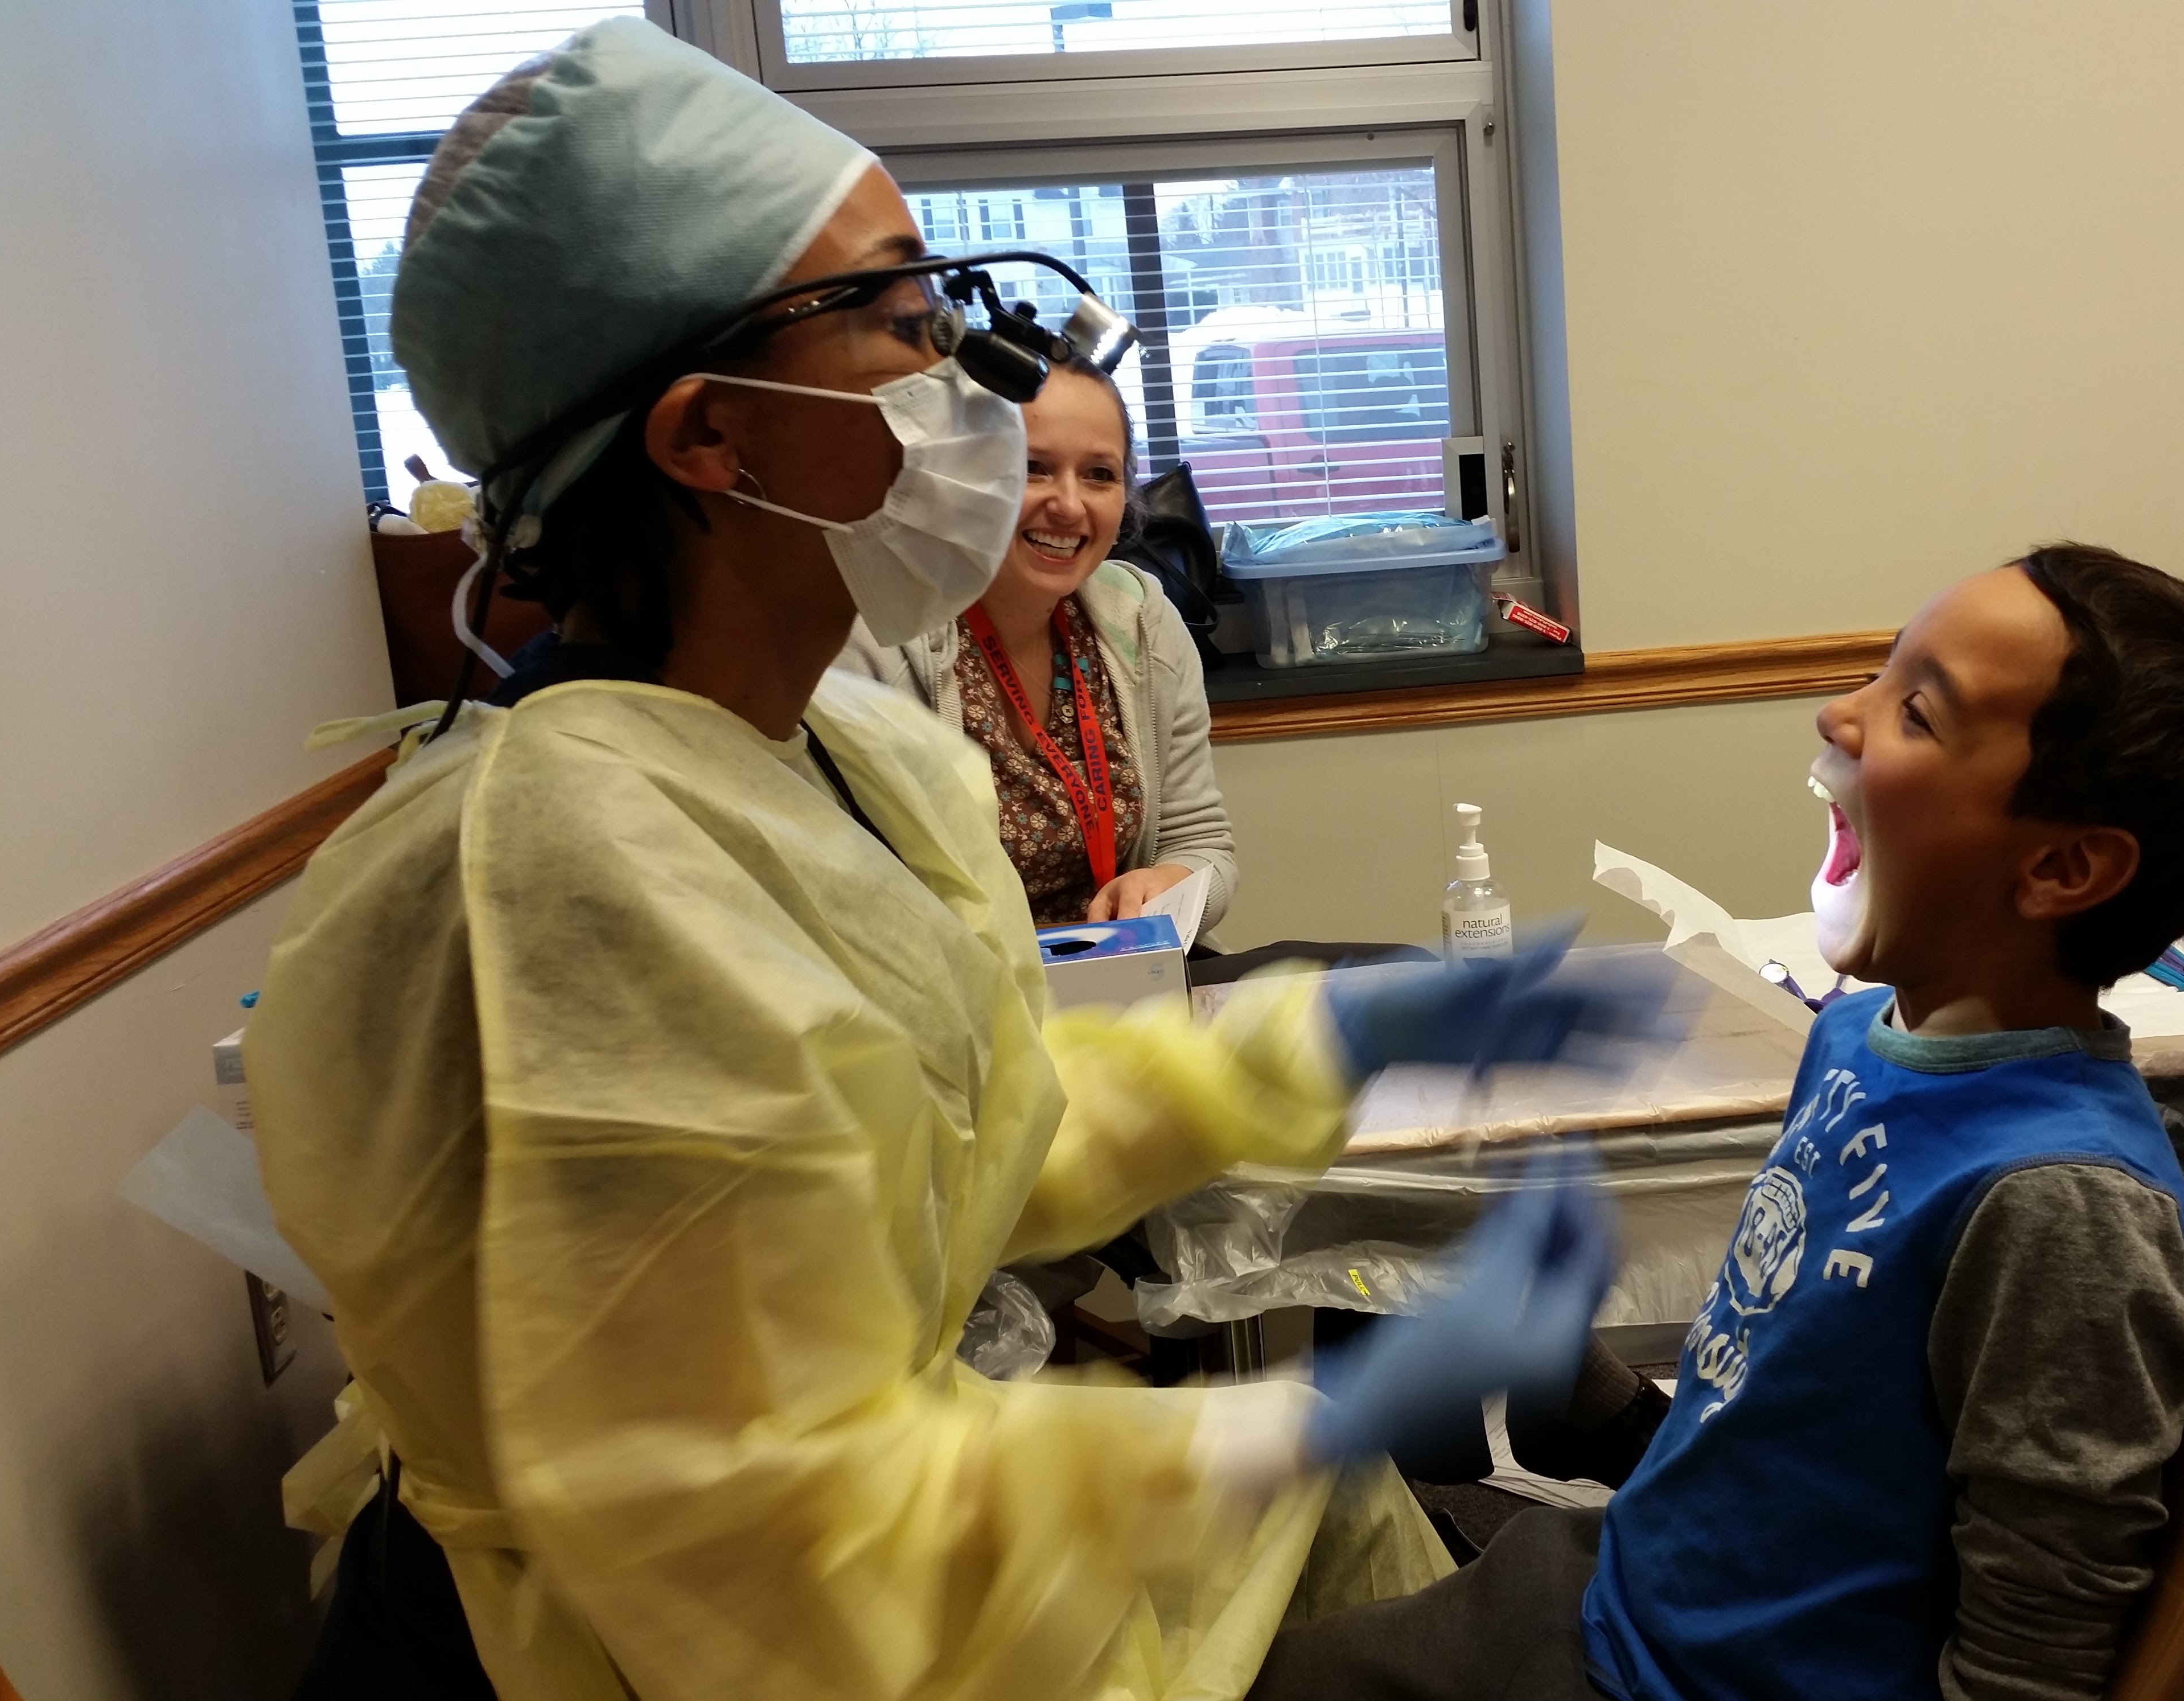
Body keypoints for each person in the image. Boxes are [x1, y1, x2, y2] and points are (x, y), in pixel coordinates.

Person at [246, 21, 1643, 1701]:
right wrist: (1334, 1403)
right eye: (907, 326)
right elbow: (776, 1527)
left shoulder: (846, 754)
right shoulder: (587, 874)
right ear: (709, 440)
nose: (976, 380)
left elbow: (968, 1124)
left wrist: (1331, 1038)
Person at [1245, 545, 2184, 1701]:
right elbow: (1800, 1388)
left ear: (2060, 867)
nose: (1836, 711)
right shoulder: (1859, 1038)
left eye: (1915, 710)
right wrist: (1587, 1383)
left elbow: (2034, 1649)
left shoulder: (2060, 1204)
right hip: (1615, 1589)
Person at [840, 359, 1237, 931]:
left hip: (1121, 973)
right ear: (955, 477)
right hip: (955, 1000)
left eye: (1100, 474)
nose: (1071, 506)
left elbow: (1201, 845)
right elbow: (841, 901)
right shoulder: (872, 638)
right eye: (1031, 469)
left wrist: (1174, 885)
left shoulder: (1142, 619)